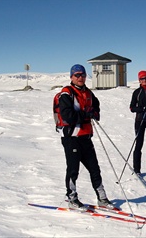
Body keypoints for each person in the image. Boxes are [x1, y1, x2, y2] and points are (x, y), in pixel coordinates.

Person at [58, 64, 113, 210]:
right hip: (72, 137)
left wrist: (95, 113)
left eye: (82, 74)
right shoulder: (66, 93)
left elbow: (96, 105)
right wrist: (85, 115)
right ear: (71, 77)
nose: (80, 77)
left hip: (86, 136)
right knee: (73, 170)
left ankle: (102, 198)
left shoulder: (88, 92)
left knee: (95, 168)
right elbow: (67, 116)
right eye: (77, 75)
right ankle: (72, 199)